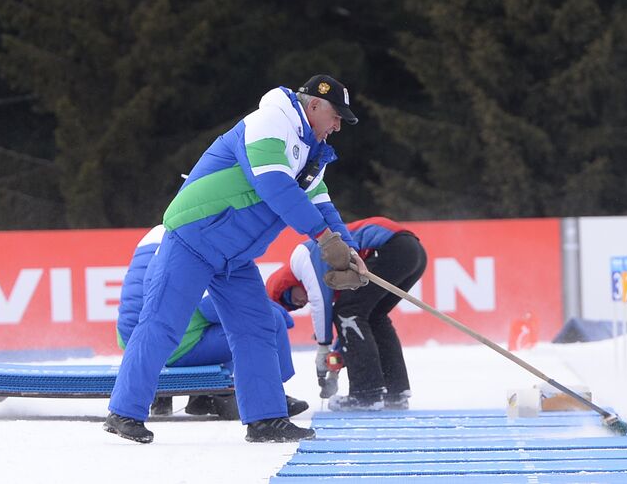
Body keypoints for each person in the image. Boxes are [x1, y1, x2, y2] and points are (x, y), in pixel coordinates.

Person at [104, 74, 366, 443]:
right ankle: (124, 412)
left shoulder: (312, 152)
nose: (339, 126)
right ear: (315, 105)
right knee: (163, 322)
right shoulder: (270, 120)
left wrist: (350, 253)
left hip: (235, 256)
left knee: (256, 328)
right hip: (194, 237)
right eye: (337, 116)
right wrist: (324, 239)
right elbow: (274, 186)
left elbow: (322, 204)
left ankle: (265, 420)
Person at [116, 224, 308, 419]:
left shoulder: (157, 235)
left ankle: (198, 396)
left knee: (203, 322)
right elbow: (217, 308)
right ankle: (271, 395)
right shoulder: (197, 244)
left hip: (132, 341)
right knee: (250, 329)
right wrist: (278, 313)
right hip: (167, 346)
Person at [266, 216, 427, 411]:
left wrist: (323, 347)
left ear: (286, 283)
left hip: (390, 248)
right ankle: (395, 392)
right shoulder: (328, 277)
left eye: (290, 297)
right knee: (372, 316)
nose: (301, 302)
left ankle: (366, 394)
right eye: (296, 306)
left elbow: (322, 304)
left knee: (347, 312)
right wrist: (335, 360)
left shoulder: (301, 258)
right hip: (410, 251)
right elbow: (351, 327)